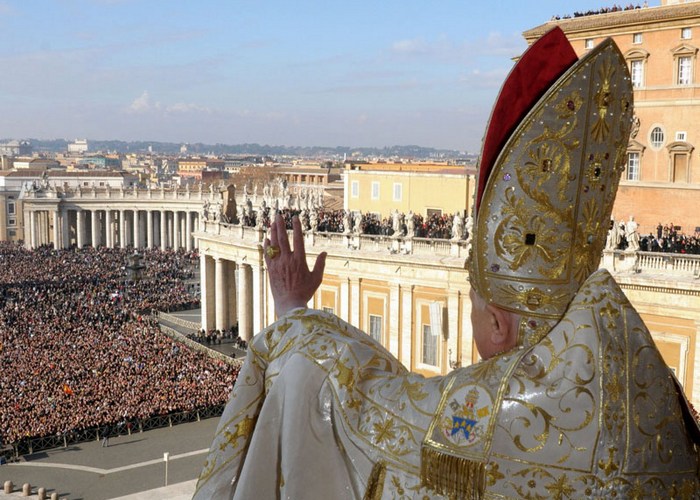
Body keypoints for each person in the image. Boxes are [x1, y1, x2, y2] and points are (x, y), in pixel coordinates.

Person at [194, 28, 700, 499]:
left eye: (475, 305)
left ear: (499, 325)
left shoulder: (491, 421)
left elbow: (354, 397)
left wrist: (291, 310)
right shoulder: (647, 397)